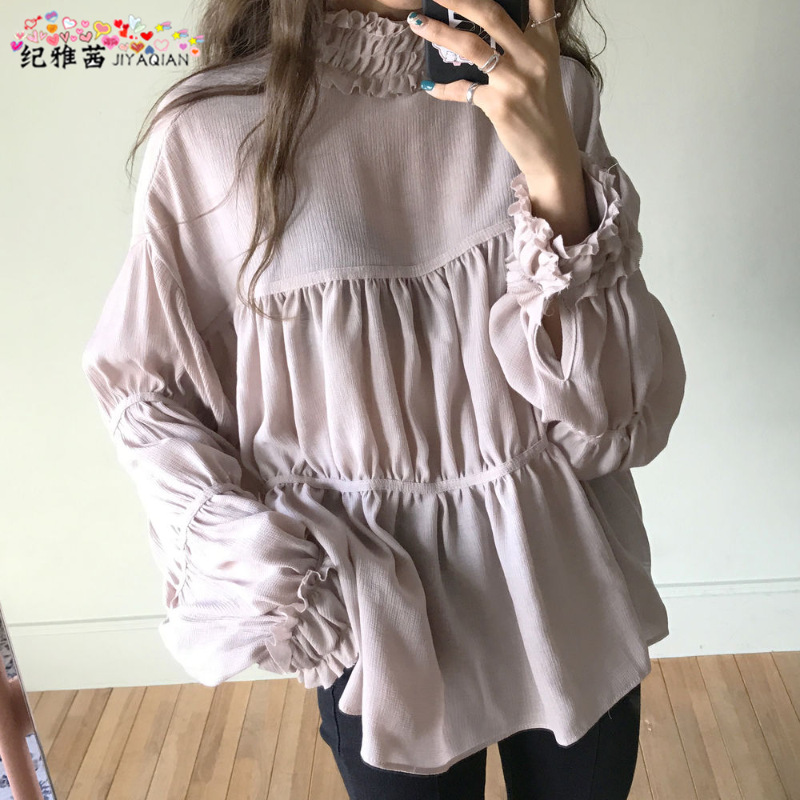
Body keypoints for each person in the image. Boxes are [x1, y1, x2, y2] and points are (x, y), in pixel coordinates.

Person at [81, 0, 686, 797]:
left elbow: (608, 426)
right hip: (374, 617)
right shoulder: (210, 128)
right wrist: (271, 567)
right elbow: (143, 388)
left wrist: (553, 176)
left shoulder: (547, 89)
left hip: (568, 583)